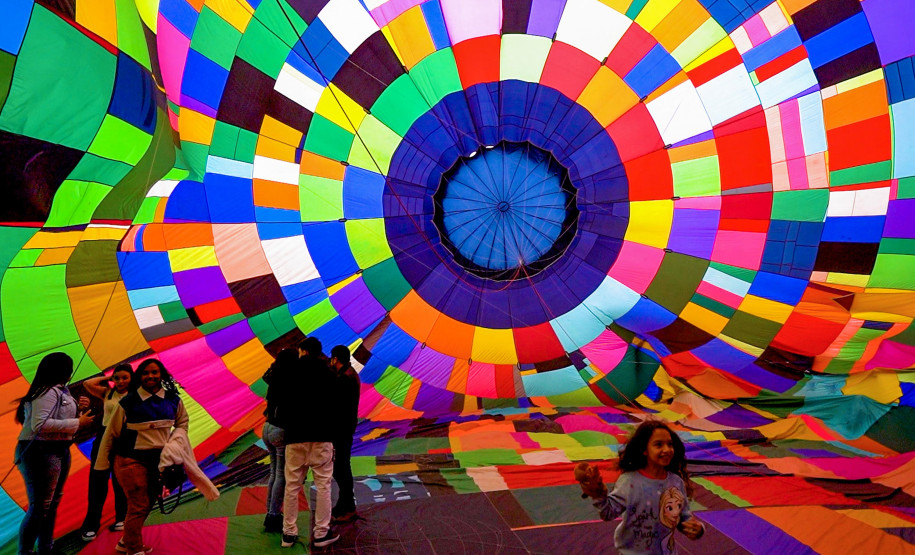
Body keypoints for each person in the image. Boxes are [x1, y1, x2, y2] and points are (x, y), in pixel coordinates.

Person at [96, 359, 188, 555]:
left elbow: (182, 423)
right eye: (145, 373)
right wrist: (102, 464)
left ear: (161, 375)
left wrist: (175, 445)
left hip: (158, 461)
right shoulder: (128, 402)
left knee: (149, 501)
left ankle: (126, 541)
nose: (150, 376)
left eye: (154, 372)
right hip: (130, 459)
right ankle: (134, 549)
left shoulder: (173, 400)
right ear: (139, 377)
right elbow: (111, 433)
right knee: (138, 504)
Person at [578, 420, 704, 555]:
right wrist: (598, 493)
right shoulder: (630, 481)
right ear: (644, 450)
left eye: (670, 444)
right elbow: (608, 513)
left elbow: (683, 517)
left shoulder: (676, 482)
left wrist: (696, 528)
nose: (667, 449)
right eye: (659, 444)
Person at [15, 351, 95, 555]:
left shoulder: (61, 391)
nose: (71, 372)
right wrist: (79, 422)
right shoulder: (47, 391)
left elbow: (58, 421)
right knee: (41, 506)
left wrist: (79, 411)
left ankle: (46, 548)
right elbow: (40, 425)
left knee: (50, 504)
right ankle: (26, 552)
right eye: (69, 367)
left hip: (58, 449)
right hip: (40, 451)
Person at [279, 337, 339, 548]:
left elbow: (282, 405)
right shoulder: (330, 374)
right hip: (322, 436)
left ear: (303, 351)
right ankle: (321, 532)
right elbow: (336, 406)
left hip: (295, 436)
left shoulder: (290, 373)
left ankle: (288, 533)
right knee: (323, 485)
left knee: (292, 486)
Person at [79, 363, 133, 541]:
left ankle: (122, 518)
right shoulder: (107, 393)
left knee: (120, 480)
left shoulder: (136, 395)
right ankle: (91, 525)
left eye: (125, 377)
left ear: (131, 378)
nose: (121, 381)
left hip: (124, 439)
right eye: (118, 378)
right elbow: (87, 384)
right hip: (103, 437)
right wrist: (109, 378)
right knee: (97, 482)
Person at [261, 348, 298, 533]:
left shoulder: (274, 378)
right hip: (279, 431)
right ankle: (274, 515)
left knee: (274, 473)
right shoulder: (290, 381)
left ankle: (270, 512)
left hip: (267, 428)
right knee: (281, 475)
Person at [329, 345, 360, 523]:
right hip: (346, 427)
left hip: (342, 429)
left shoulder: (345, 378)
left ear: (335, 359)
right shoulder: (350, 374)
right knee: (341, 467)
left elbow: (337, 405)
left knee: (340, 468)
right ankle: (344, 503)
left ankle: (348, 506)